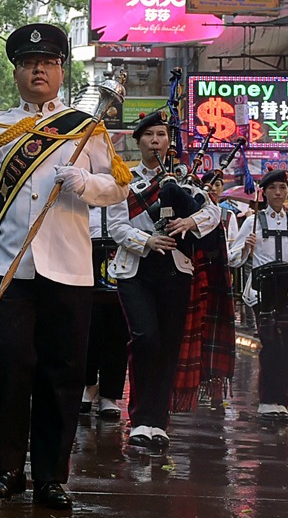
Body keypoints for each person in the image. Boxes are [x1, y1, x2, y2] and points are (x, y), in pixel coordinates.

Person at [0, 23, 129, 510]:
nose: (39, 69)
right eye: (30, 63)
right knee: (8, 367)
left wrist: (84, 182)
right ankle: (9, 470)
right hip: (9, 267)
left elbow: (117, 188)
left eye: (50, 63)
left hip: (70, 270)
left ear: (60, 71)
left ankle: (52, 477)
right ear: (16, 71)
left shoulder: (86, 127)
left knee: (63, 374)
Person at [106, 111, 220, 449]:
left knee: (169, 345)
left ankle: (158, 422)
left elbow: (212, 213)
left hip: (176, 269)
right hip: (136, 269)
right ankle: (140, 418)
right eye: (150, 136)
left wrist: (189, 223)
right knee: (146, 339)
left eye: (162, 135)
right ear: (138, 141)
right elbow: (116, 226)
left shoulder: (183, 180)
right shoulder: (123, 179)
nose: (157, 141)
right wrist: (148, 241)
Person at [228, 169, 288, 421]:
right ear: (264, 193)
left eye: (282, 188)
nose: (278, 193)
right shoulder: (252, 222)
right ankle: (268, 401)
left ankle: (281, 400)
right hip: (262, 290)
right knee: (271, 344)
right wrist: (246, 247)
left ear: (287, 192)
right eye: (273, 188)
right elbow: (232, 258)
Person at [80, 205, 127, 420]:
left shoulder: (126, 191)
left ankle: (110, 394)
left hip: (122, 265)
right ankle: (88, 384)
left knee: (118, 332)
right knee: (88, 329)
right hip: (84, 264)